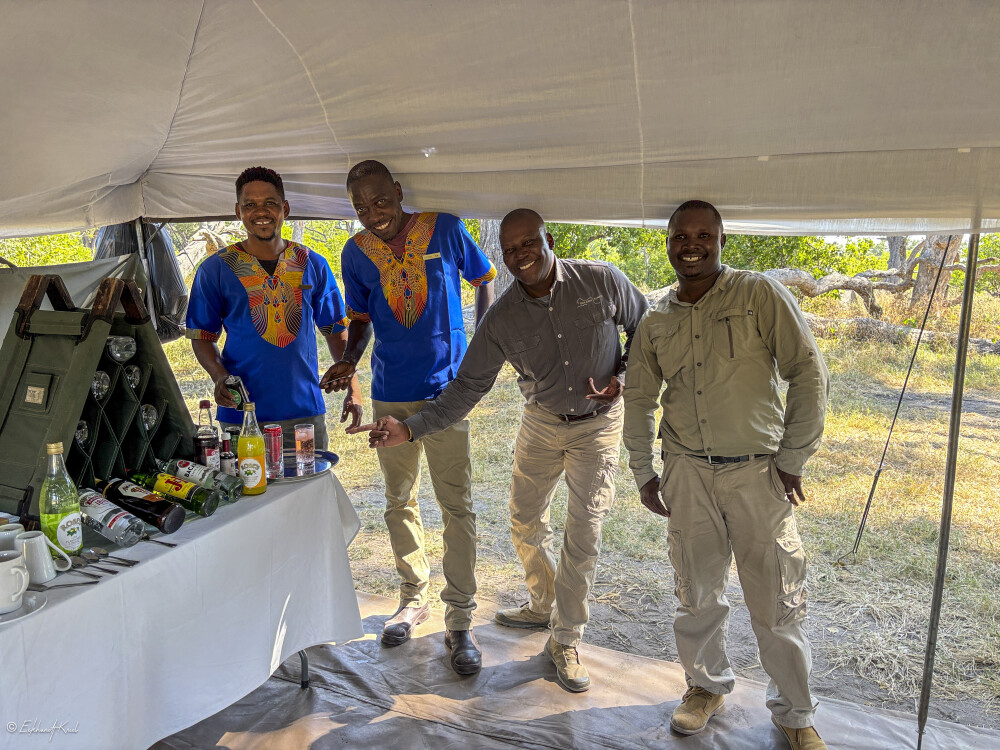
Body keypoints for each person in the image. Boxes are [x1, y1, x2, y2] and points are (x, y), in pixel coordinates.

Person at [361, 208, 649, 693]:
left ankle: (565, 639)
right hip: (541, 422)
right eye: (511, 249)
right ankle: (543, 603)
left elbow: (646, 327)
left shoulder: (602, 280)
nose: (519, 255)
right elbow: (466, 388)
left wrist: (623, 376)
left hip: (597, 426)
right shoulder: (502, 318)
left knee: (583, 532)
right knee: (524, 520)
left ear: (549, 240)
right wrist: (409, 430)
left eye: (528, 243)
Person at [623, 200, 829, 749]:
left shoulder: (758, 294)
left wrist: (793, 458)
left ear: (720, 240)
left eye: (703, 235)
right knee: (696, 593)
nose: (691, 245)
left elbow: (807, 371)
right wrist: (644, 470)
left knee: (776, 599)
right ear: (668, 242)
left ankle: (794, 713)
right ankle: (704, 686)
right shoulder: (656, 317)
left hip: (757, 473)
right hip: (686, 473)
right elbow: (639, 397)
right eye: (680, 236)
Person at [323, 160, 496, 675]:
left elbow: (484, 279)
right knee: (399, 501)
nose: (372, 213)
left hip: (446, 394)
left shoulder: (444, 228)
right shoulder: (355, 252)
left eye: (380, 200)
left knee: (456, 505)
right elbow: (360, 319)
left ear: (398, 191)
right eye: (360, 207)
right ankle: (412, 598)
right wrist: (349, 359)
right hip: (390, 394)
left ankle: (459, 617)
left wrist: (481, 345)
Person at [187, 166, 362, 448]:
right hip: (241, 414)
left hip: (303, 413)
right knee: (245, 478)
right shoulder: (215, 270)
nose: (261, 211)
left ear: (285, 209)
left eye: (270, 203)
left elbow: (335, 330)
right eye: (250, 205)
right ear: (238, 211)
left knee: (309, 477)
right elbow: (202, 336)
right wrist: (220, 377)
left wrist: (353, 387)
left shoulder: (312, 263)